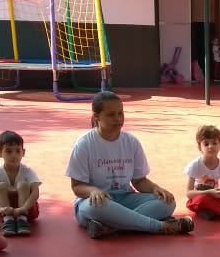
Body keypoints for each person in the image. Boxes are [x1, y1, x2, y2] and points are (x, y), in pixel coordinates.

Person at [66, 91, 193, 238]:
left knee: (168, 203)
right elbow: (77, 186)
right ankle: (160, 226)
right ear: (96, 117)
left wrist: (156, 189)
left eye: (121, 113)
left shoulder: (131, 142)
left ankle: (111, 227)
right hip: (97, 203)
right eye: (111, 115)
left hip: (125, 198)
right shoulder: (84, 144)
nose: (118, 119)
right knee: (95, 208)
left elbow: (139, 181)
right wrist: (93, 191)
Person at [0, 130, 41, 237]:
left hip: (27, 211)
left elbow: (35, 192)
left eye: (17, 151)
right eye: (8, 151)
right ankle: (8, 221)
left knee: (23, 185)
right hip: (5, 212)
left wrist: (24, 208)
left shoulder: (28, 171)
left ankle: (22, 220)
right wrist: (0, 208)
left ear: (23, 152)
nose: (13, 155)